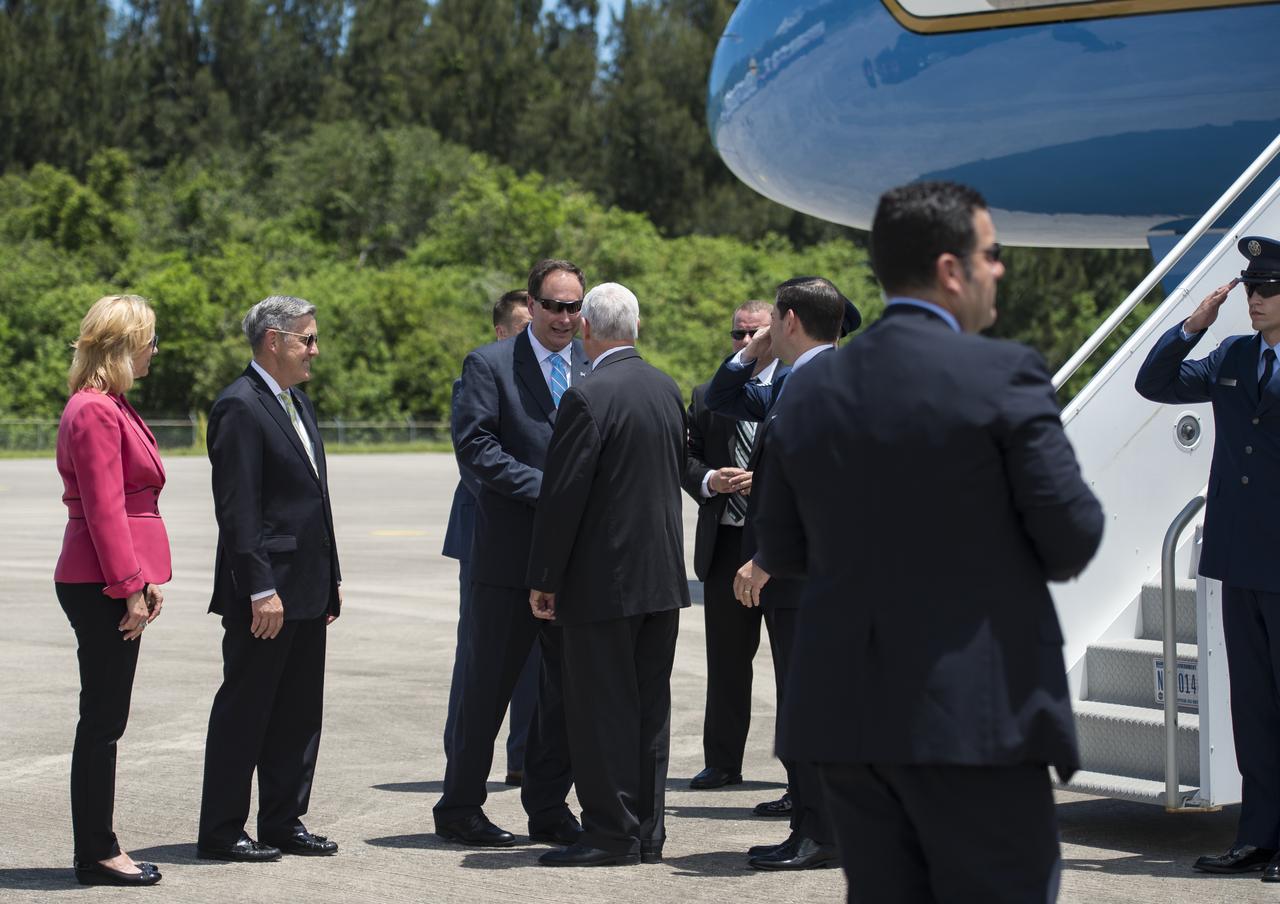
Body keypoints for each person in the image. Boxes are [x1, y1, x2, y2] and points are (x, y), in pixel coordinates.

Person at [751, 181, 1103, 902]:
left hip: (847, 723)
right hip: (975, 723)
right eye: (992, 253)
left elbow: (781, 546)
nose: (999, 268)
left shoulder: (809, 391)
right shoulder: (1003, 374)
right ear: (952, 269)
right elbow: (1072, 538)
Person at [527, 282, 690, 866]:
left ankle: (608, 835)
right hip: (662, 582)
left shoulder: (588, 396)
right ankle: (647, 832)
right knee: (649, 712)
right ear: (637, 329)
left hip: (602, 586)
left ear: (589, 330)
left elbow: (563, 497)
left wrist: (544, 577)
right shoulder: (666, 389)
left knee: (599, 713)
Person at [1136, 235, 1280, 882]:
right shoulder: (1232, 354)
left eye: (1268, 290)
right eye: (1251, 288)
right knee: (1252, 710)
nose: (1255, 299)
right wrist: (1192, 325)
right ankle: (1258, 837)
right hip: (1240, 554)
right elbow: (1155, 382)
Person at [434, 260, 586, 848]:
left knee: (561, 695)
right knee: (485, 687)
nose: (565, 318)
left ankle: (548, 808)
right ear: (533, 302)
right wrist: (549, 490)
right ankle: (460, 807)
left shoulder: (589, 363)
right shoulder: (489, 364)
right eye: (554, 306)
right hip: (504, 561)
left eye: (575, 307)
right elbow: (475, 448)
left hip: (572, 562)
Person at [705, 277, 854, 870]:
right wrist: (752, 351)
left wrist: (767, 559)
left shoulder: (815, 384)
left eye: (770, 324)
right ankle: (816, 828)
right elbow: (721, 394)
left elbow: (821, 492)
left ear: (788, 319)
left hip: (806, 579)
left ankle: (821, 834)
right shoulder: (807, 377)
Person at [197, 295, 343, 863]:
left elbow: (313, 502)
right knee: (247, 709)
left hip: (307, 587)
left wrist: (330, 578)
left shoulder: (297, 403)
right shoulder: (239, 405)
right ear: (272, 341)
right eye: (307, 338)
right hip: (267, 593)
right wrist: (260, 588)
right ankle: (222, 829)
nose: (315, 349)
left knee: (300, 712)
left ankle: (284, 820)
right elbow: (238, 511)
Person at [54, 295, 169, 887]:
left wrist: (143, 580)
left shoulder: (108, 405)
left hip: (113, 579)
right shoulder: (95, 410)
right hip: (100, 582)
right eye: (149, 339)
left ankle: (95, 847)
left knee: (104, 719)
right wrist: (128, 587)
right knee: (102, 722)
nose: (155, 349)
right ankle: (98, 851)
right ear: (123, 345)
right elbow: (103, 510)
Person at [681, 300, 780, 797]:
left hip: (781, 549)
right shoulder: (707, 395)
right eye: (737, 334)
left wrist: (766, 483)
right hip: (724, 545)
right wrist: (710, 481)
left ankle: (799, 780)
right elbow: (686, 458)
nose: (744, 342)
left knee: (792, 664)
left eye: (753, 334)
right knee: (726, 662)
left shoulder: (793, 390)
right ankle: (722, 763)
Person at [442, 290, 538, 787]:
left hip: (537, 534)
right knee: (480, 652)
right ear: (502, 331)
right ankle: (461, 756)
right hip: (487, 532)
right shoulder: (478, 376)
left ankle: (522, 758)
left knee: (536, 659)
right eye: (524, 326)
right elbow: (475, 463)